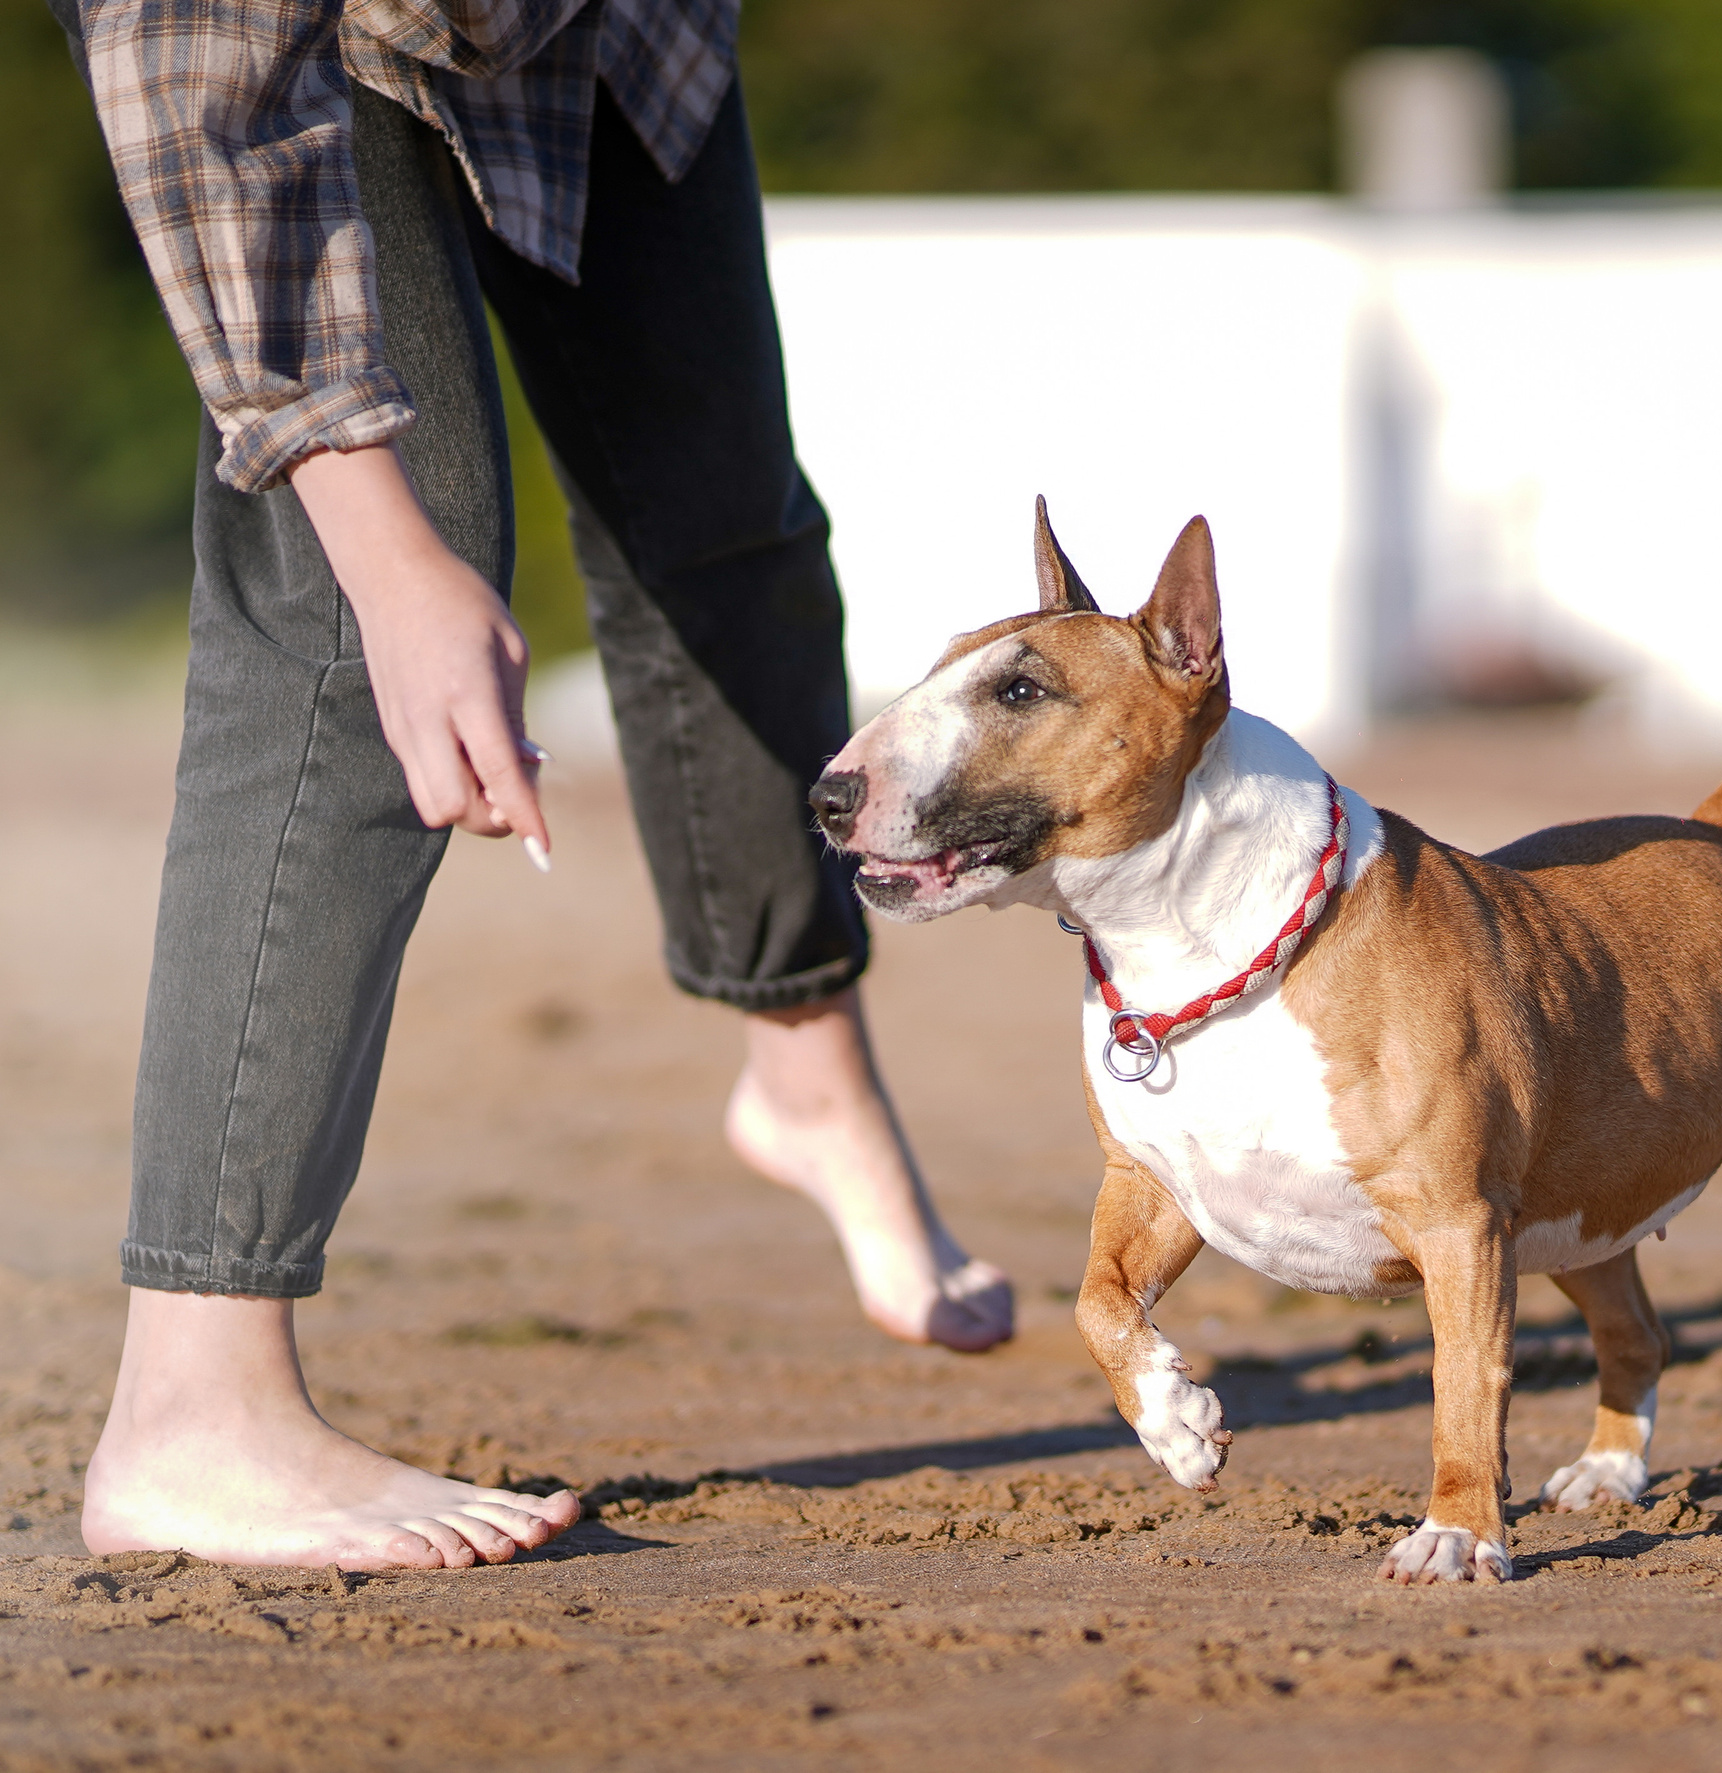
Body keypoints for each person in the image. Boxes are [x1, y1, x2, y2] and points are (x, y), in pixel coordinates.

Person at [50, 0, 1014, 1571]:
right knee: (351, 623)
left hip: (613, 30)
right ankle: (192, 1405)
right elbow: (203, 99)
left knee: (731, 535)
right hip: (309, 57)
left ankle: (806, 1075)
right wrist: (394, 564)